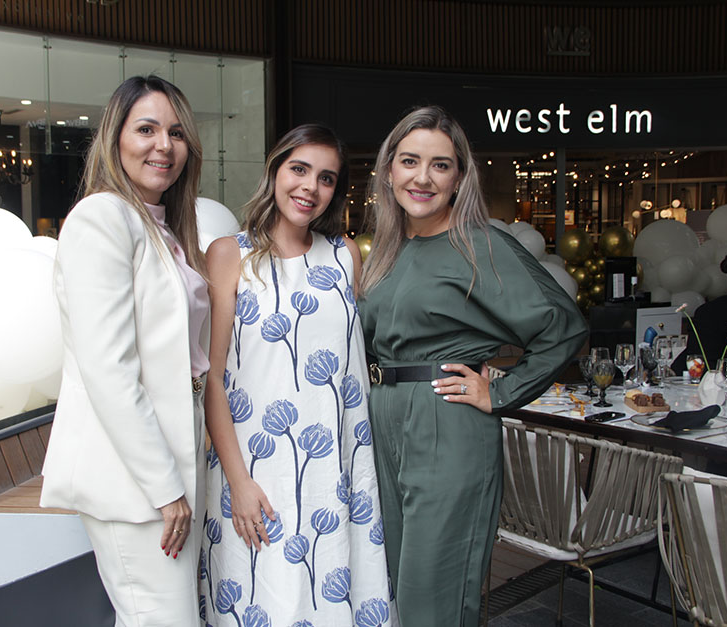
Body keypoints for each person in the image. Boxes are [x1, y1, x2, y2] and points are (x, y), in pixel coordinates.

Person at [359, 105, 588, 626]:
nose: (422, 177)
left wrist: (501, 393)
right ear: (389, 169)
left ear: (459, 177)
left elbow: (564, 327)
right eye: (410, 161)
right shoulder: (388, 252)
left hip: (447, 422)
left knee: (431, 600)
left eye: (440, 165)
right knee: (393, 586)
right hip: (385, 424)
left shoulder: (481, 244)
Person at [201, 124, 395, 626]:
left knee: (331, 591)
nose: (310, 186)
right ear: (275, 170)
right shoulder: (229, 254)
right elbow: (214, 379)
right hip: (257, 469)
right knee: (264, 598)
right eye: (299, 169)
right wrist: (239, 483)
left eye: (326, 177)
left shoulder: (344, 254)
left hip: (337, 470)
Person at [40, 75, 209, 626]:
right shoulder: (102, 218)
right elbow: (107, 369)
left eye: (176, 133)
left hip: (171, 470)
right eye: (147, 129)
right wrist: (165, 489)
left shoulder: (162, 227)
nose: (164, 145)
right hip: (135, 483)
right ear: (115, 139)